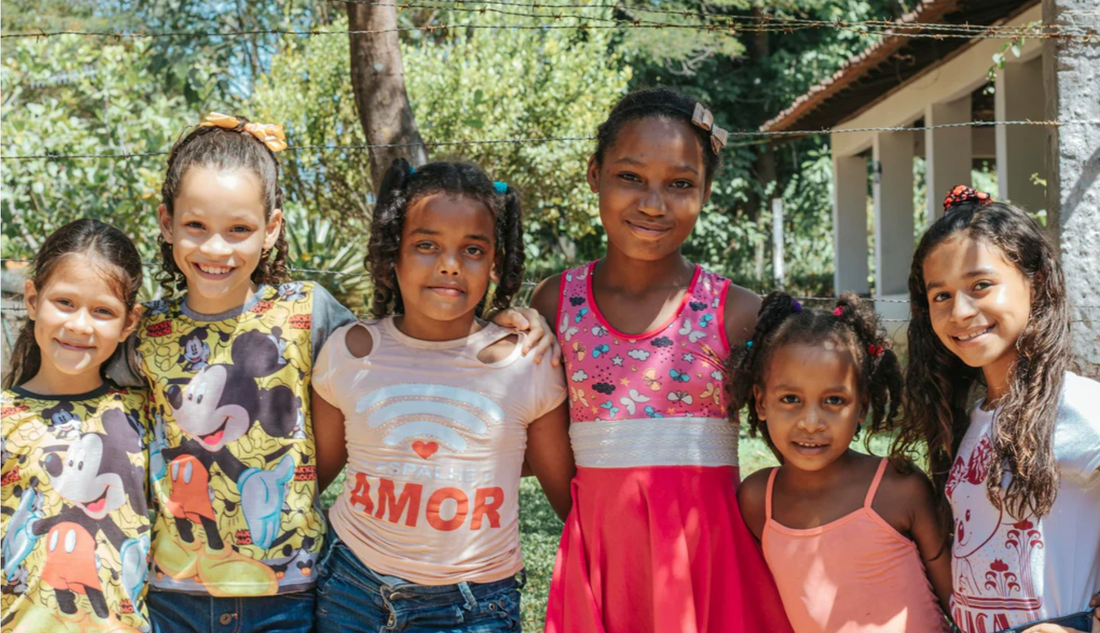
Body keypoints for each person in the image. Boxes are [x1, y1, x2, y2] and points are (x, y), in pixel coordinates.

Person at [534, 87, 792, 633]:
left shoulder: (739, 313)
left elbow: (801, 430)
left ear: (704, 194)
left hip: (712, 562)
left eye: (680, 184)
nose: (654, 203)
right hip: (603, 561)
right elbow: (548, 441)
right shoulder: (556, 303)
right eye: (630, 177)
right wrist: (595, 526)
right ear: (594, 174)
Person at [109, 112, 357, 632]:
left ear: (271, 229)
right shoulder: (144, 330)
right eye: (195, 225)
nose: (216, 248)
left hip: (289, 589)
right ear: (165, 221)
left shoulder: (309, 312)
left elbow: (398, 357)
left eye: (239, 229)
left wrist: (496, 323)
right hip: (174, 593)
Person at [310, 158, 574, 633]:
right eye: (426, 244)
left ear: (495, 263)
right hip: (351, 589)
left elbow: (569, 501)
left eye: (472, 249)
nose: (450, 264)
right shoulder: (347, 353)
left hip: (474, 607)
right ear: (394, 252)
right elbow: (310, 478)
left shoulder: (529, 363)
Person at [895, 185, 1100, 633]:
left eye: (981, 285)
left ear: (1036, 282)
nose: (960, 311)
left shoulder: (1080, 407)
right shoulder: (970, 418)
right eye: (941, 295)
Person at [731, 291, 952, 633]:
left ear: (862, 406)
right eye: (790, 399)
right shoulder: (759, 500)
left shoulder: (899, 489)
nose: (811, 421)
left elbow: (958, 601)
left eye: (834, 400)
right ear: (760, 402)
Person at [2, 219, 152, 632]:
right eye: (64, 302)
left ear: (129, 323)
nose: (80, 325)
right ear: (32, 299)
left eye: (103, 311)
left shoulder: (148, 415)